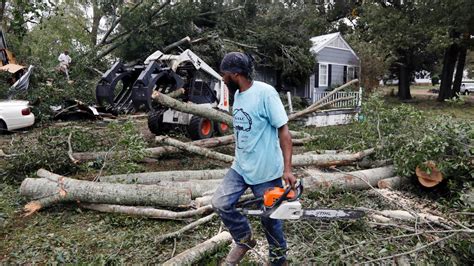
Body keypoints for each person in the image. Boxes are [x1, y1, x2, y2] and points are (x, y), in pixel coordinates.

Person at [211, 52, 296, 266]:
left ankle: (278, 261)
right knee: (220, 202)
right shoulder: (237, 94)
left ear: (236, 74)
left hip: (266, 171)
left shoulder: (266, 94)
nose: (223, 79)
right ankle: (244, 239)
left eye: (225, 75)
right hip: (240, 167)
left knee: (271, 220)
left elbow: (284, 132)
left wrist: (288, 169)